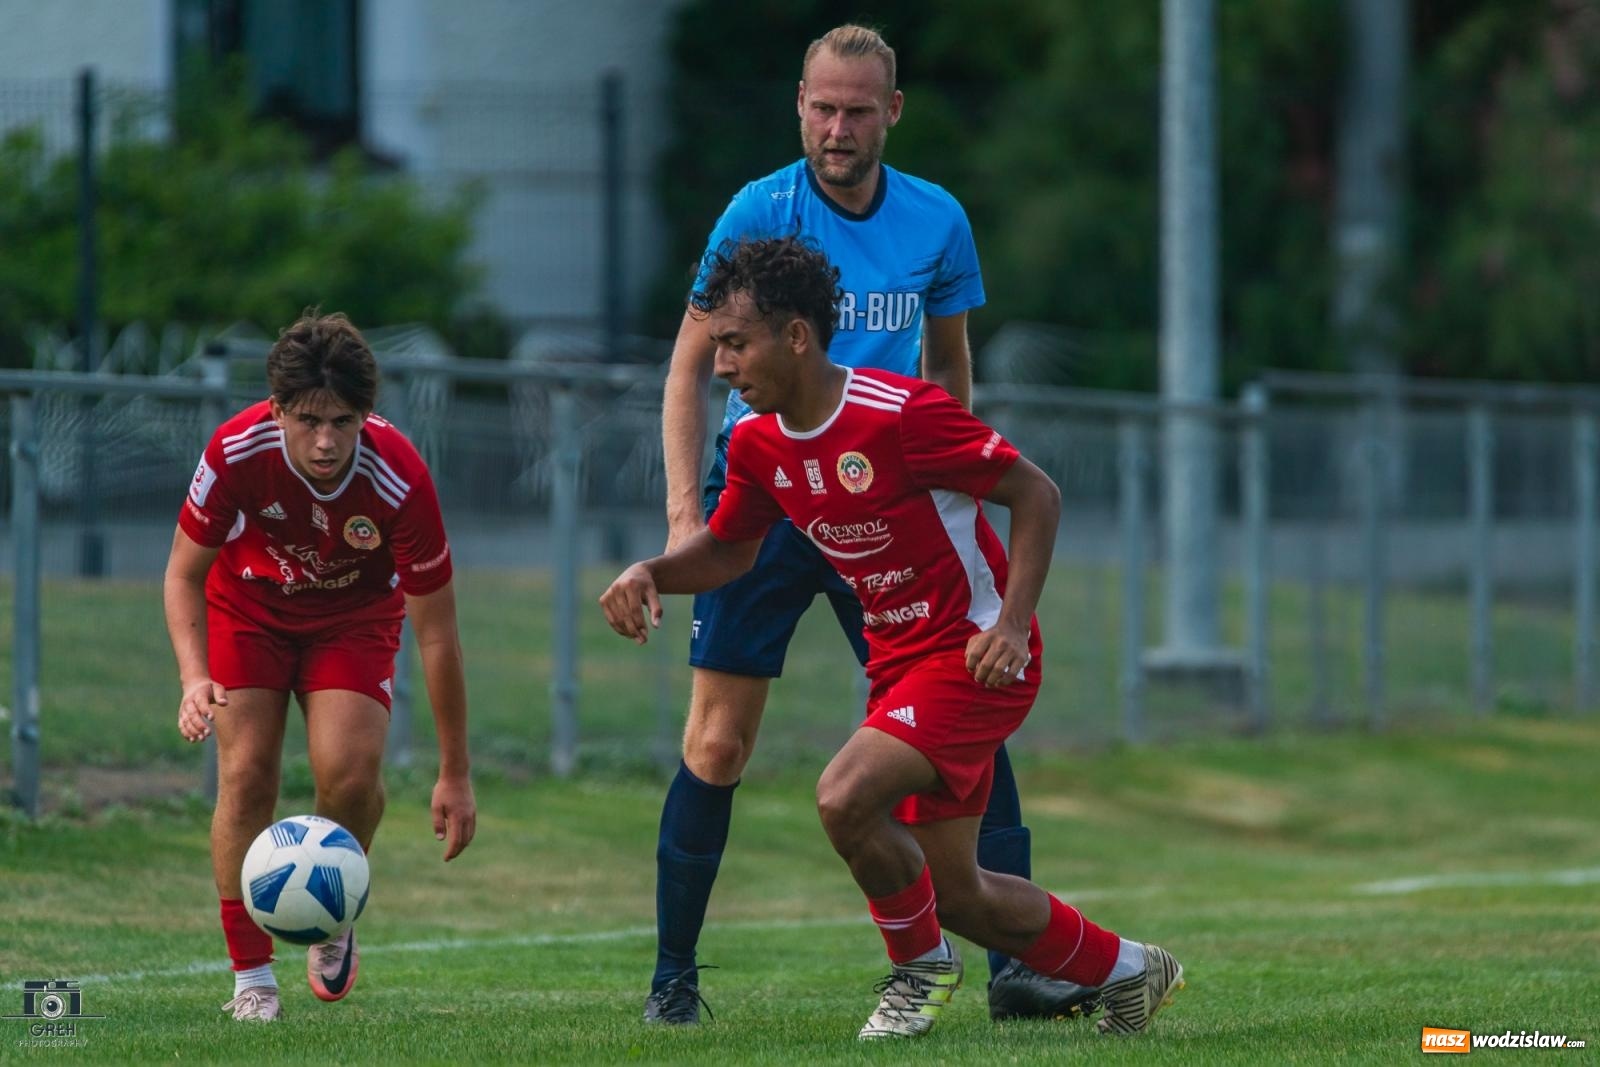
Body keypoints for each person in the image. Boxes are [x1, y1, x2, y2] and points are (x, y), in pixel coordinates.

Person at [604, 236, 1184, 1040]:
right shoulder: (759, 443)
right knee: (960, 893)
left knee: (843, 795)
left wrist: (1013, 622)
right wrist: (651, 571)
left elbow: (1036, 494)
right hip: (901, 664)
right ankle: (1132, 968)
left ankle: (919, 969)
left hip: (976, 655)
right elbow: (733, 550)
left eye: (735, 344)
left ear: (797, 336)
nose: (723, 365)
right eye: (718, 347)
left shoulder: (903, 415)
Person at [651, 22, 1094, 1025]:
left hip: (890, 512)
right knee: (717, 741)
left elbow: (949, 369)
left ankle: (1013, 973)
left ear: (891, 113)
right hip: (765, 497)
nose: (836, 127)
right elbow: (689, 366)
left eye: (856, 109)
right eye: (820, 106)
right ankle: (672, 980)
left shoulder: (938, 220)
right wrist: (685, 512)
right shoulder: (756, 211)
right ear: (797, 104)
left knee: (967, 705)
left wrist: (964, 497)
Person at [164, 312, 477, 1022]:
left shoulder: (400, 479)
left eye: (342, 419)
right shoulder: (235, 451)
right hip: (248, 611)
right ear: (277, 409)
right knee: (246, 777)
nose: (327, 440)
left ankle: (329, 911)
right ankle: (251, 977)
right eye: (308, 420)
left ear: (366, 413)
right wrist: (192, 675)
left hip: (352, 620)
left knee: (351, 775)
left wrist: (454, 772)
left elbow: (438, 636)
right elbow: (182, 575)